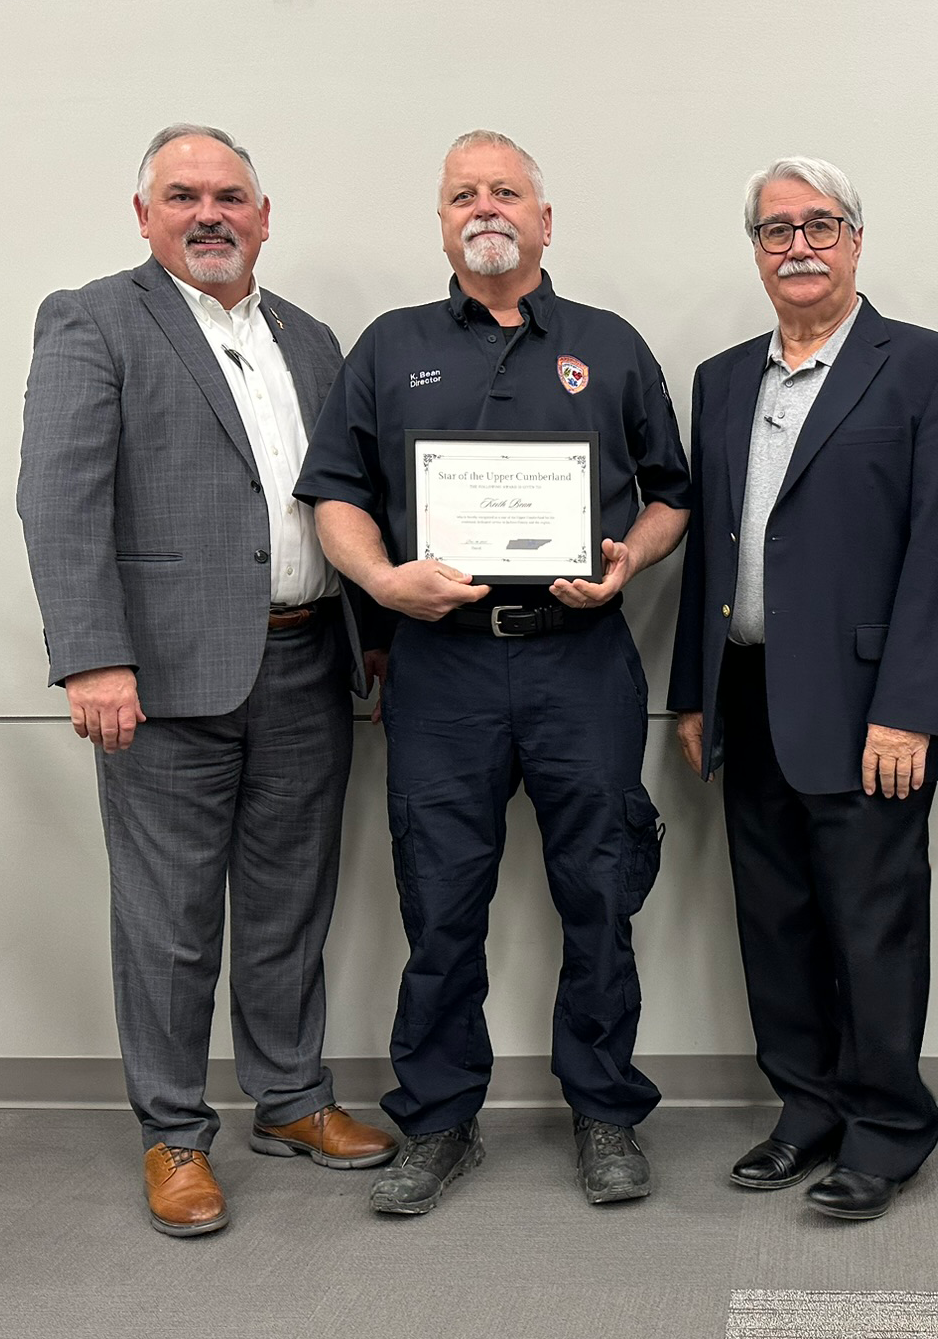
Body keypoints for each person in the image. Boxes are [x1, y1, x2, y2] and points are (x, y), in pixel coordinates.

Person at [295, 130, 690, 1215]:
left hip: (580, 661)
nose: (485, 206)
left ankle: (605, 1110)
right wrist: (386, 582)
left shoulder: (609, 345)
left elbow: (671, 493)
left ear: (543, 220)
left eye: (505, 190)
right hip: (442, 666)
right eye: (463, 193)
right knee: (440, 900)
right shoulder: (391, 346)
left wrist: (628, 560)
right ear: (441, 223)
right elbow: (335, 494)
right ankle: (437, 1119)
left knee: (600, 893)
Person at [17, 123, 395, 1238]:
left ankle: (291, 1097)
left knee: (290, 902)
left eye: (229, 196)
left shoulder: (311, 339)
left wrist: (375, 632)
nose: (208, 214)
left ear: (264, 217)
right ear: (144, 216)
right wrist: (94, 656)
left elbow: (349, 495)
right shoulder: (93, 319)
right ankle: (175, 1132)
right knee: (170, 919)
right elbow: (58, 497)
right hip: (163, 678)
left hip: (307, 659)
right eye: (182, 196)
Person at [669, 157, 938, 1222]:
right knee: (775, 922)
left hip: (867, 708)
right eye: (776, 229)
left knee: (873, 926)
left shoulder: (931, 370)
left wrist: (909, 708)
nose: (797, 245)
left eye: (819, 224)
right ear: (755, 251)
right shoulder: (723, 379)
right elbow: (712, 551)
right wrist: (692, 692)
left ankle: (888, 1128)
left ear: (856, 239)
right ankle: (805, 1108)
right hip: (748, 692)